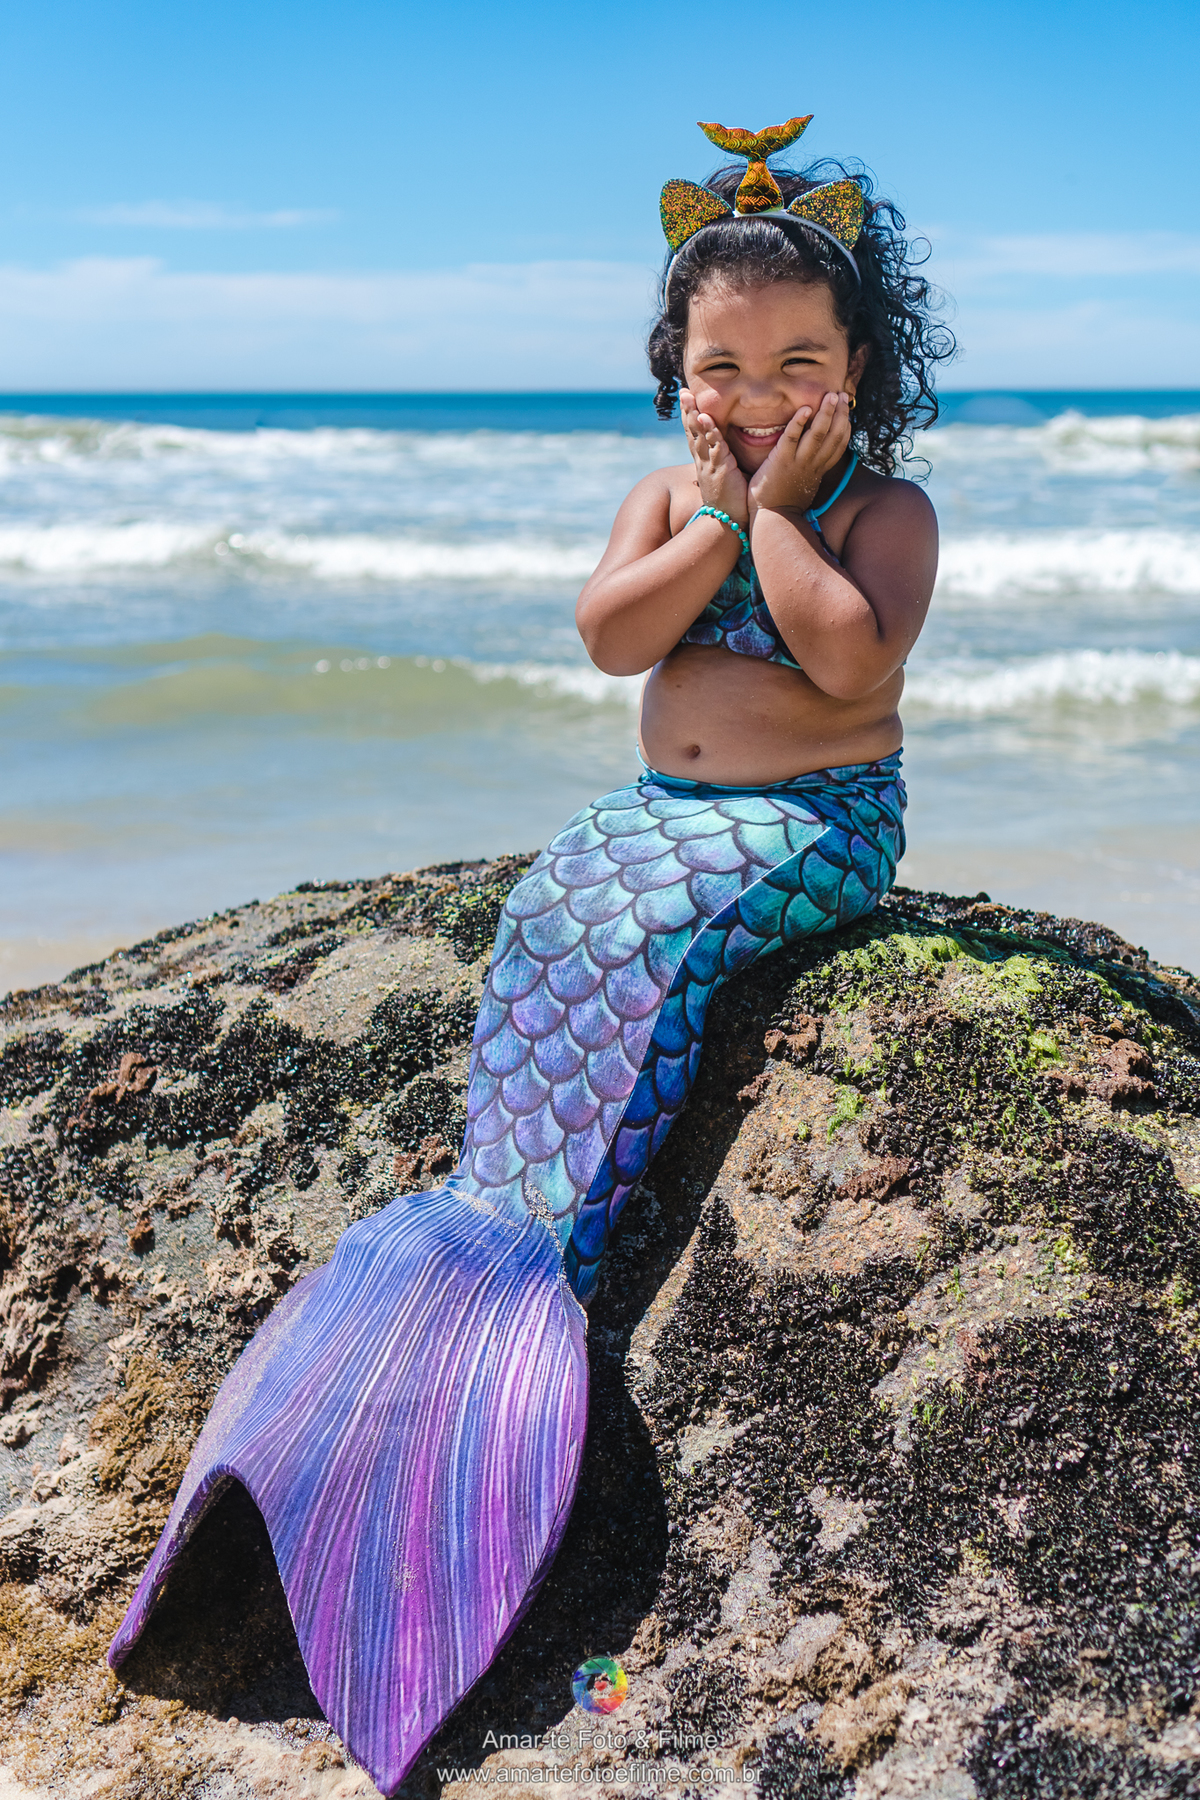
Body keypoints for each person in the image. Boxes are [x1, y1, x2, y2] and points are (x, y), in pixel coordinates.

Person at [108, 115, 953, 1798]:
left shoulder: (883, 512)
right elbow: (609, 636)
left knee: (657, 943)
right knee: (554, 904)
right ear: (676, 372)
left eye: (803, 359)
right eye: (727, 363)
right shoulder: (666, 495)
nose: (763, 387)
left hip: (810, 831)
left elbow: (851, 670)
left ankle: (549, 1278)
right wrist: (712, 516)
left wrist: (781, 512)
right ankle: (471, 1240)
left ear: (862, 371)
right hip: (649, 805)